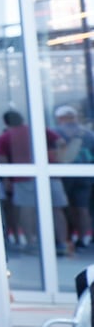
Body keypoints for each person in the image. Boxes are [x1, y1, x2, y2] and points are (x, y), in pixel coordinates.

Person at [0, 108, 69, 256]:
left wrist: (8, 179)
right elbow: (61, 142)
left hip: (22, 177)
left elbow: (3, 159)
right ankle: (62, 242)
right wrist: (58, 159)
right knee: (56, 209)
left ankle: (30, 242)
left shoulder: (5, 137)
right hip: (49, 174)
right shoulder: (38, 130)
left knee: (27, 210)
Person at [53, 104, 92, 251]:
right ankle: (83, 239)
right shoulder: (87, 133)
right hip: (85, 174)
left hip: (64, 174)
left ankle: (69, 238)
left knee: (66, 208)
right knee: (82, 208)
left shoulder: (56, 132)